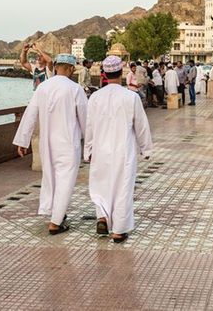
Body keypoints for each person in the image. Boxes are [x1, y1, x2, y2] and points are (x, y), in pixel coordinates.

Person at [13, 54, 88, 235]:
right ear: (70, 69)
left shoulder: (43, 88)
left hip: (47, 144)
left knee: (50, 179)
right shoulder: (75, 89)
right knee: (65, 181)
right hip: (68, 144)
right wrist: (91, 144)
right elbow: (87, 119)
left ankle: (55, 213)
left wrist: (23, 141)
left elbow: (30, 114)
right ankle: (55, 223)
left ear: (55, 67)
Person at [84, 56, 153, 243]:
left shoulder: (95, 97)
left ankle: (102, 217)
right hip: (123, 151)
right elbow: (141, 125)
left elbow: (88, 127)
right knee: (123, 188)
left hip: (100, 151)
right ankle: (119, 230)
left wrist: (87, 150)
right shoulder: (131, 97)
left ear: (104, 73)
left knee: (101, 186)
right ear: (121, 72)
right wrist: (146, 149)